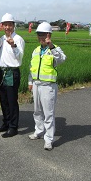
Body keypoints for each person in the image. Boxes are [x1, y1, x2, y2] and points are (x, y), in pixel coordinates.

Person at [28, 22, 66, 151]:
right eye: (39, 35)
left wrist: (52, 46)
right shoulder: (36, 50)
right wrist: (30, 82)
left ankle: (48, 139)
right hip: (36, 84)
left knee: (48, 114)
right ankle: (38, 131)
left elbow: (61, 59)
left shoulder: (55, 49)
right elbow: (31, 67)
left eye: (43, 35)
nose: (41, 37)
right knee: (37, 111)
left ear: (49, 35)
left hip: (48, 86)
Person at [0, 13, 25, 138]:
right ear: (2, 26)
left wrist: (13, 45)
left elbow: (19, 57)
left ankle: (13, 127)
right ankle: (5, 123)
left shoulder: (18, 39)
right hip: (2, 72)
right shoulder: (1, 39)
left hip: (12, 72)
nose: (7, 27)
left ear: (13, 25)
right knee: (3, 100)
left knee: (12, 101)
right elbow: (2, 57)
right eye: (5, 25)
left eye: (9, 25)